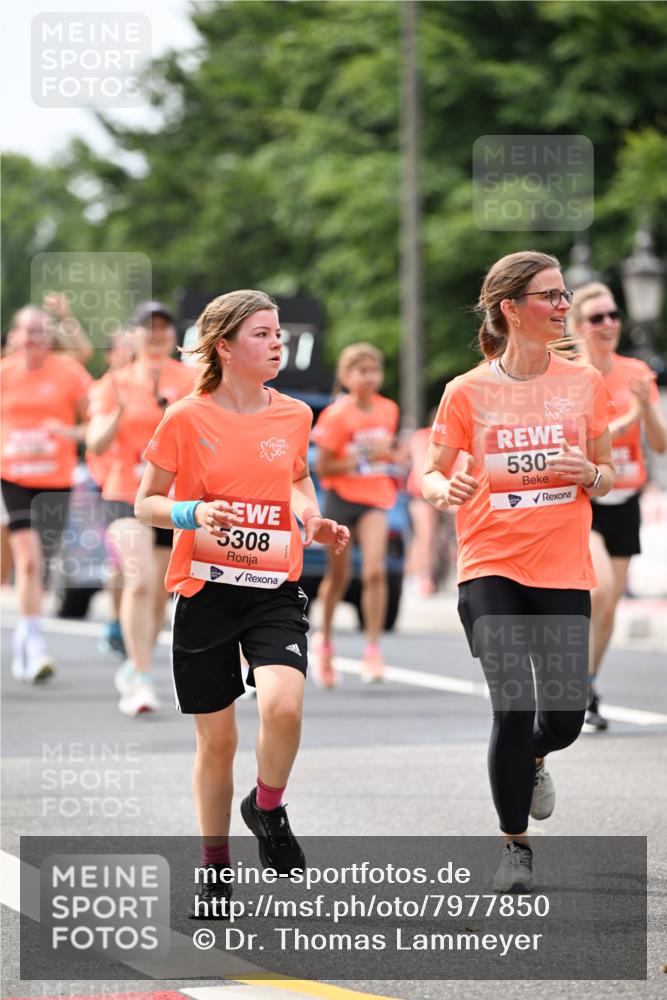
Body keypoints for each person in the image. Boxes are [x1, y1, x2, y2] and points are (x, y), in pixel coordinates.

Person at [134, 289, 348, 911]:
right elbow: (144, 501)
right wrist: (193, 512)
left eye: (278, 332)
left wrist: (312, 519)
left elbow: (298, 477)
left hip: (272, 589)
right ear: (225, 346)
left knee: (284, 706)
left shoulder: (294, 415)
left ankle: (267, 806)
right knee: (218, 743)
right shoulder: (186, 417)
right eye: (262, 334)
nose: (278, 342)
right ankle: (215, 865)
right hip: (205, 592)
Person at [422, 251, 615, 892]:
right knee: (513, 705)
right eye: (550, 297)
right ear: (511, 308)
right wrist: (442, 489)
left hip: (562, 567)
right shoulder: (466, 391)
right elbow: (429, 471)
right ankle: (515, 847)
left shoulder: (584, 384)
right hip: (490, 565)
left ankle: (534, 756)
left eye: (563, 295)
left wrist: (589, 475)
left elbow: (608, 472)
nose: (564, 307)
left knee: (561, 720)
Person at [86, 302, 196, 715]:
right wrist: (116, 411)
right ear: (134, 335)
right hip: (125, 494)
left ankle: (135, 666)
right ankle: (143, 680)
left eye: (164, 328)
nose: (156, 334)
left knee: (159, 594)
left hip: (173, 497)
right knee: (141, 580)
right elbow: (95, 444)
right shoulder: (112, 383)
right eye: (148, 328)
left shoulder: (192, 378)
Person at [569, 282, 666, 730]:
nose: (608, 324)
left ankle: (586, 686)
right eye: (596, 318)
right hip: (584, 497)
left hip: (626, 497)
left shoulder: (637, 371)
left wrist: (646, 411)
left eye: (612, 316)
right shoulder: (569, 377)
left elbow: (660, 444)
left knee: (608, 608)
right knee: (600, 588)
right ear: (577, 327)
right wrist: (624, 419)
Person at [1, 305, 92, 681]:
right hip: (13, 476)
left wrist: (68, 432)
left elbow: (93, 422)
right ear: (15, 335)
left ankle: (24, 633)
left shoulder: (68, 371)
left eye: (41, 331)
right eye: (28, 331)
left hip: (55, 478)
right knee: (28, 561)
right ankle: (36, 642)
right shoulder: (4, 372)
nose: (34, 338)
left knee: (41, 566)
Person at [311, 343, 400, 686]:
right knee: (340, 576)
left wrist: (392, 456)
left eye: (374, 370)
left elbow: (385, 454)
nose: (369, 378)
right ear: (346, 377)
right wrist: (366, 454)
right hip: (341, 497)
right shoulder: (337, 415)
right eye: (361, 371)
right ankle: (325, 642)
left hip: (375, 496)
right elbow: (324, 465)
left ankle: (373, 650)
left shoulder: (388, 409)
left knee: (376, 570)